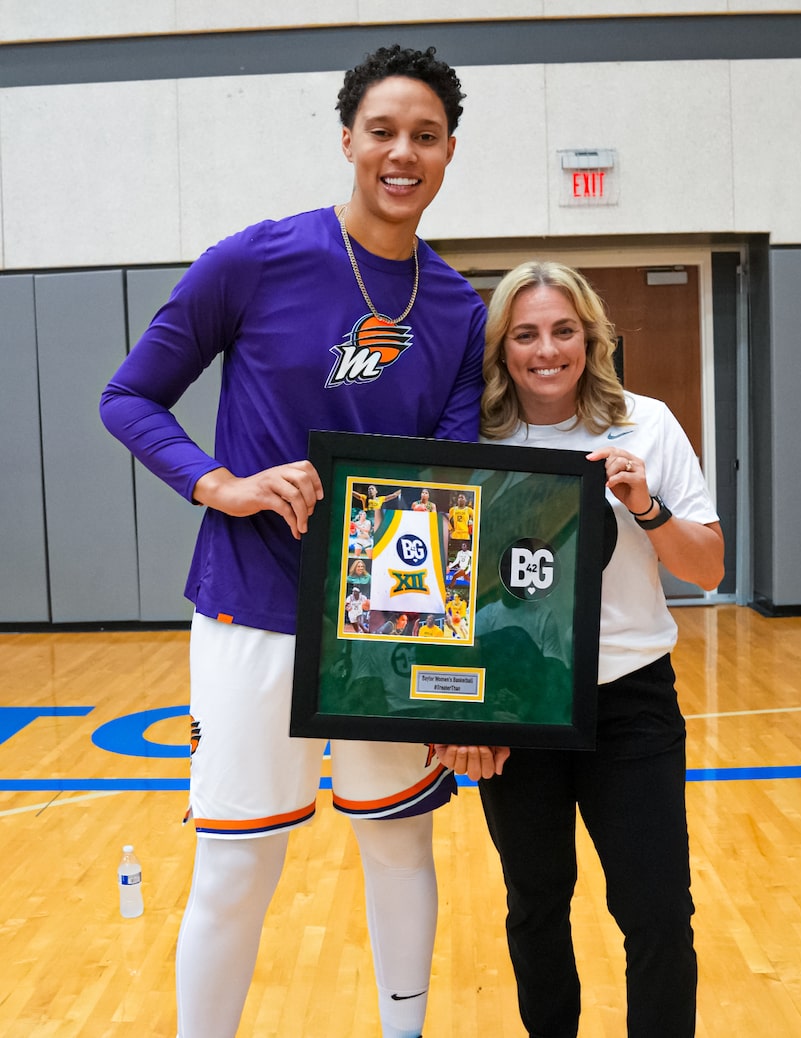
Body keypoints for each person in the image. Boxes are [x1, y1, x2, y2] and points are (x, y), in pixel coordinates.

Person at [99, 43, 502, 1038]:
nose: (400, 153)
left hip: (388, 627)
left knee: (400, 844)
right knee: (238, 861)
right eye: (382, 132)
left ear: (449, 152)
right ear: (346, 140)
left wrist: (461, 663)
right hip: (252, 609)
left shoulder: (457, 309)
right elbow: (128, 397)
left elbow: (450, 494)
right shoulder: (259, 256)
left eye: (424, 136)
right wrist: (221, 484)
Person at [436, 260, 724, 1037]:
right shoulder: (472, 434)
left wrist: (648, 506)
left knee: (657, 906)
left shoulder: (647, 421)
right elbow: (439, 594)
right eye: (525, 334)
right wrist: (462, 710)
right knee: (536, 901)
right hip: (516, 704)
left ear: (591, 336)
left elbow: (709, 567)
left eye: (564, 330)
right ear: (501, 348)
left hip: (630, 698)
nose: (546, 350)